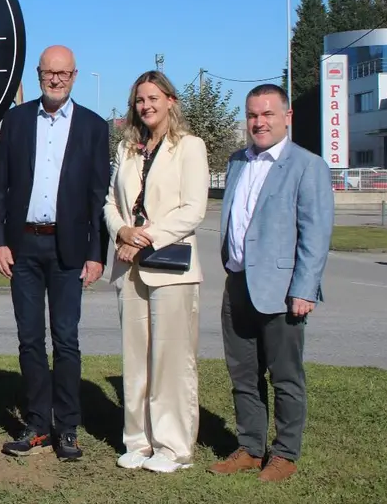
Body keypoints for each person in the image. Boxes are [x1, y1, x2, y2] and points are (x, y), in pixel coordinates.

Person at [0, 45, 109, 461]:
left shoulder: (93, 127)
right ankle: (38, 425)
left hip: (69, 248)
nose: (55, 80)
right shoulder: (17, 120)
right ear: (38, 74)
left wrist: (97, 253)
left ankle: (68, 428)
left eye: (63, 73)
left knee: (67, 339)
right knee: (29, 339)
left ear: (74, 76)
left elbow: (98, 196)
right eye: (48, 73)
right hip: (22, 245)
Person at [208, 84, 333, 482]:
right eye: (252, 115)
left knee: (285, 376)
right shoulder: (237, 162)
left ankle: (285, 455)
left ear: (286, 117)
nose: (259, 122)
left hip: (281, 291)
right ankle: (249, 446)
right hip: (238, 282)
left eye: (267, 115)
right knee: (243, 374)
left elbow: (316, 233)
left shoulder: (306, 165)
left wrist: (304, 288)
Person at [103, 71, 210, 473]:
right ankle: (138, 440)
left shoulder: (190, 147)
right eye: (139, 100)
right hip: (128, 267)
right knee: (136, 358)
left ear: (170, 100)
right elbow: (109, 201)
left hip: (171, 268)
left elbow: (192, 209)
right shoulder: (127, 149)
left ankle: (174, 446)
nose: (145, 106)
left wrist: (143, 238)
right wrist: (121, 230)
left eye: (152, 98)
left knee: (171, 358)